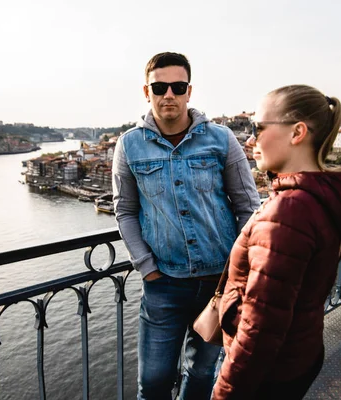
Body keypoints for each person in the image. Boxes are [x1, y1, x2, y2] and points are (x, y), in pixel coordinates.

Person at [111, 52, 260, 400]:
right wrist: (147, 268)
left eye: (177, 87)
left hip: (218, 282)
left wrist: (238, 273)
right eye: (159, 87)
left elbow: (248, 207)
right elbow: (125, 211)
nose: (169, 95)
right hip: (164, 283)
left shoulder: (221, 139)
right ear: (146, 92)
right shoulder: (130, 145)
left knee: (201, 371)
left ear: (189, 91)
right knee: (153, 381)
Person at [212, 85, 341, 399]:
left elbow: (260, 329)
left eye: (258, 128)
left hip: (269, 373)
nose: (250, 140)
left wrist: (224, 394)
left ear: (297, 132)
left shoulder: (289, 211)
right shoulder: (321, 197)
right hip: (301, 351)